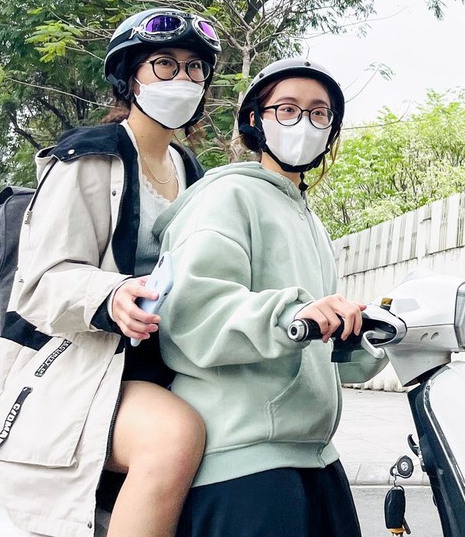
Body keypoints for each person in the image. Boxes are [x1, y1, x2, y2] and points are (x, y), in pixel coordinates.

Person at [0, 8, 221, 537]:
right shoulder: (88, 159)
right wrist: (112, 295)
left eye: (195, 68)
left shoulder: (193, 171)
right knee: (173, 439)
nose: (183, 79)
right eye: (164, 64)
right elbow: (42, 280)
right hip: (80, 359)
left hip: (168, 358)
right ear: (129, 76)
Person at [155, 58, 366, 537]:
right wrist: (292, 314)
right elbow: (194, 309)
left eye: (319, 114)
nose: (304, 124)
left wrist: (369, 333)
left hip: (312, 450)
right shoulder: (226, 197)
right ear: (255, 121)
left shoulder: (309, 220)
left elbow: (322, 338)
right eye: (287, 109)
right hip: (242, 456)